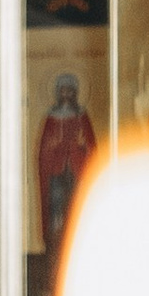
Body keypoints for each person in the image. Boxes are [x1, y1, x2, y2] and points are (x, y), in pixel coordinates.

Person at [35, 74, 95, 278]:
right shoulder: (51, 118)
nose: (67, 94)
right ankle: (55, 267)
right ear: (57, 93)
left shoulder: (82, 116)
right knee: (57, 220)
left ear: (76, 93)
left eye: (70, 90)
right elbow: (43, 152)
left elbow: (92, 149)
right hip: (56, 175)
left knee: (77, 216)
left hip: (77, 173)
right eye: (63, 90)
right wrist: (56, 149)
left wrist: (82, 147)